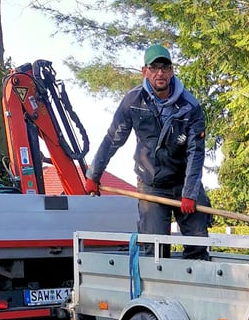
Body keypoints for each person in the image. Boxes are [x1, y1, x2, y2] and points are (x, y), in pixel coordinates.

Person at [85, 43, 211, 259]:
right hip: (151, 185)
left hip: (184, 182)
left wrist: (189, 193)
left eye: (164, 67)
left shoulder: (190, 107)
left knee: (198, 243)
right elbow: (113, 139)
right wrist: (93, 175)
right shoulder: (132, 102)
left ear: (171, 72)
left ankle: (199, 286)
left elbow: (195, 152)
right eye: (154, 68)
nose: (159, 73)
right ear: (145, 72)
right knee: (155, 250)